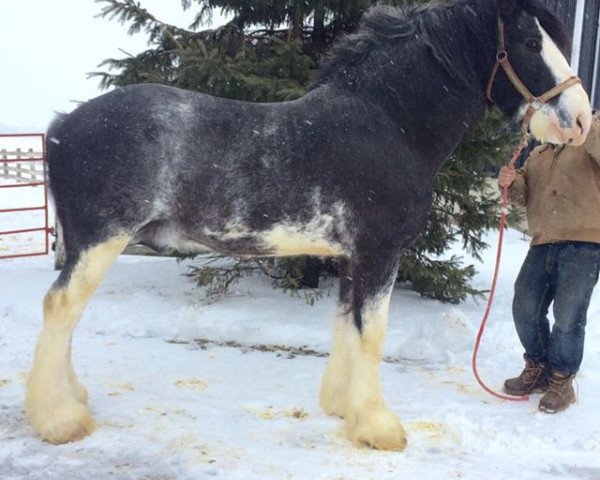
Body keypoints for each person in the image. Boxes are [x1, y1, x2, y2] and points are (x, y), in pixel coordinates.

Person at [498, 113, 600, 413]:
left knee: (568, 317)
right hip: (543, 241)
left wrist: (583, 119)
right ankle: (539, 366)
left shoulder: (587, 140)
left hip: (584, 241)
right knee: (525, 306)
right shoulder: (539, 153)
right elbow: (523, 195)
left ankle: (561, 381)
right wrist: (511, 181)